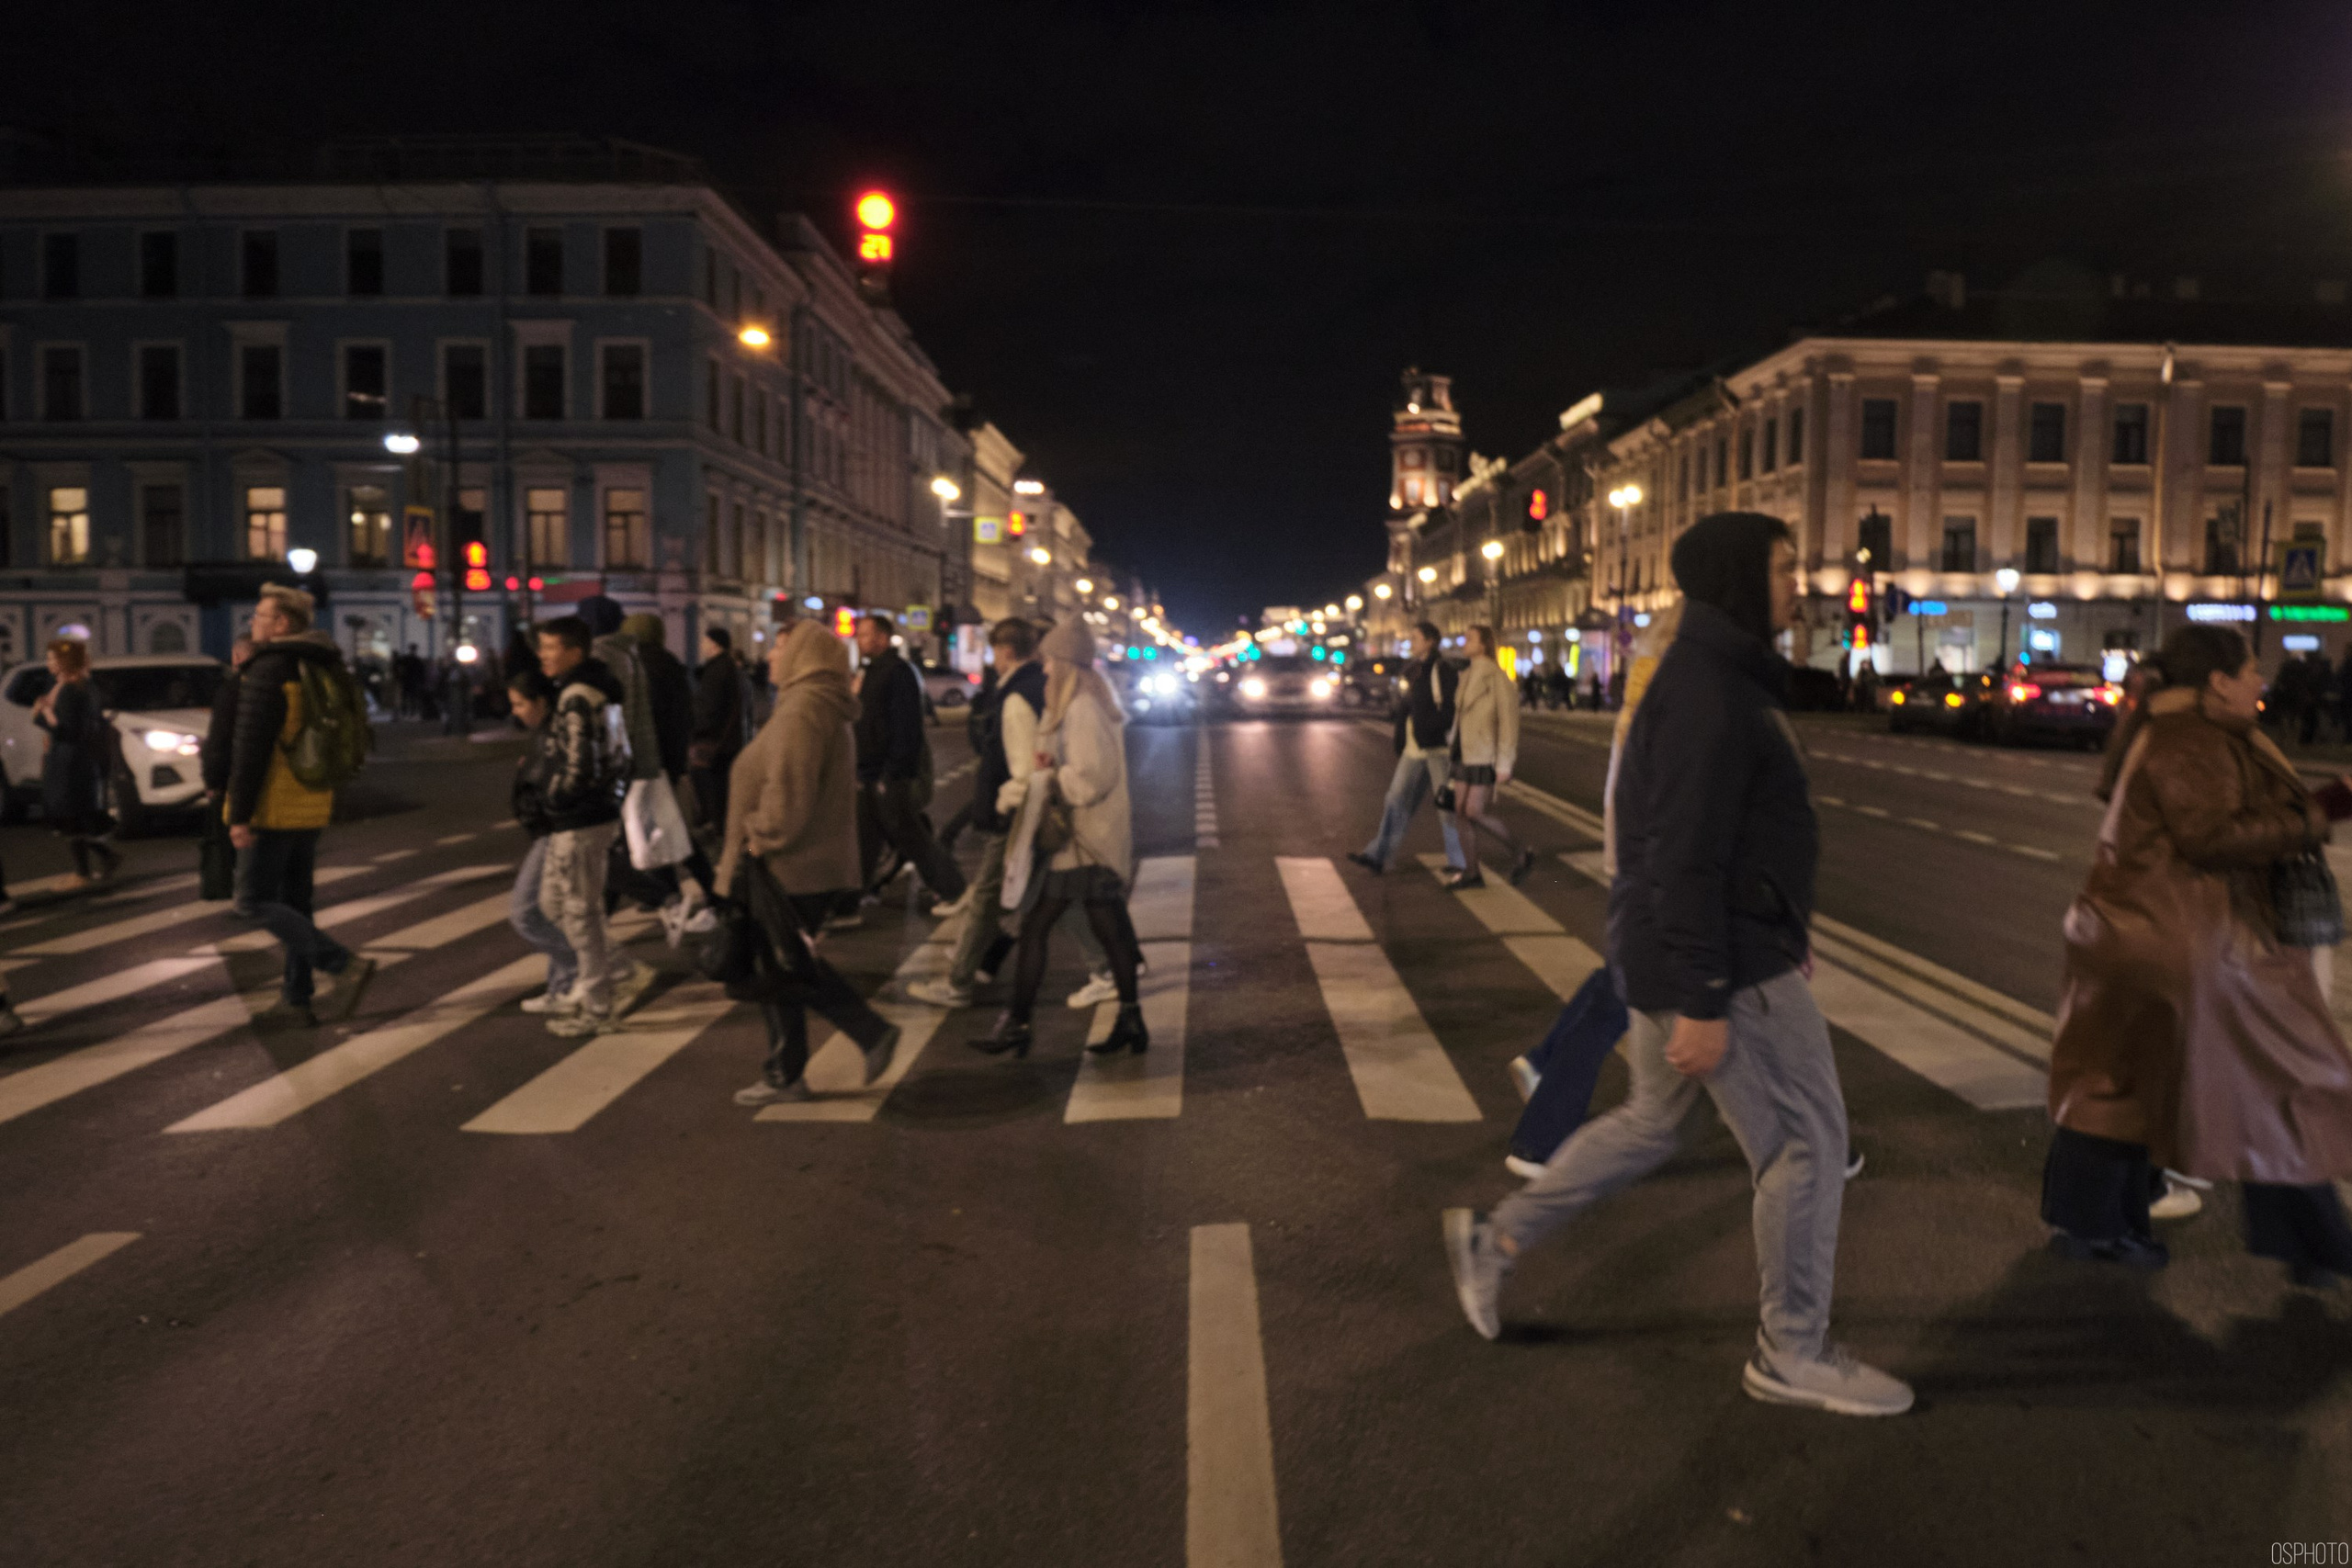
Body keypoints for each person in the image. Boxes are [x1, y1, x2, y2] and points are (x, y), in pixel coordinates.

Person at [1445, 511, 1913, 1418]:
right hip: (1721, 961)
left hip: (1688, 948)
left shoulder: (1714, 675)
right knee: (1807, 1147)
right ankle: (1793, 1352)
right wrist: (1702, 992)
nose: (1799, 584)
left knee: (1652, 1124)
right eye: (1783, 567)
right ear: (1740, 577)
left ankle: (1492, 1244)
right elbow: (1683, 853)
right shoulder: (1709, 688)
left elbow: (1722, 839)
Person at [2044, 623, 2352, 1284]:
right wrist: (2314, 820)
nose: (2259, 682)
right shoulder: (2194, 740)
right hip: (2185, 940)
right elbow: (2212, 835)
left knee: (2116, 1087)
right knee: (2283, 1079)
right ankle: (2317, 1244)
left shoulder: (2174, 727)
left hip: (2133, 930)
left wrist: (2329, 800)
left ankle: (2095, 1227)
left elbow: (2234, 809)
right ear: (2217, 681)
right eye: (2248, 672)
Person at [720, 620, 902, 1105]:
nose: (771, 658)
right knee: (784, 968)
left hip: (791, 864)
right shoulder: (816, 707)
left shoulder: (803, 711)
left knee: (784, 967)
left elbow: (789, 795)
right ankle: (792, 1070)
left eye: (781, 649)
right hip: (808, 863)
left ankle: (863, 1036)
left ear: (804, 658)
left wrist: (757, 839)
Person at [969, 619, 1147, 1059]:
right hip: (1086, 841)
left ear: (1066, 663)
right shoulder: (1075, 703)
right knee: (1107, 930)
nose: (1044, 669)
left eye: (1049, 661)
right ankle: (1130, 1018)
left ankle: (1019, 1023)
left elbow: (1089, 780)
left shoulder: (1083, 707)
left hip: (1083, 842)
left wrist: (1045, 781)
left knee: (1035, 927)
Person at [215, 586, 376, 1028]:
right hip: (313, 799)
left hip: (273, 805)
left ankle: (342, 964)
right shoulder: (323, 662)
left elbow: (250, 748)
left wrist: (239, 815)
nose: (254, 623)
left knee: (251, 900)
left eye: (261, 616)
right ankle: (297, 998)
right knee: (296, 902)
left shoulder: (268, 670)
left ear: (282, 624)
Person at [909, 618, 1044, 1009]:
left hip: (1014, 813)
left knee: (987, 895)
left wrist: (1003, 804)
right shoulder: (1037, 688)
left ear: (1004, 651)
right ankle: (1111, 966)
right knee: (1043, 896)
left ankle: (959, 981)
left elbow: (1021, 768)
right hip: (1031, 811)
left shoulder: (1017, 697)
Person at [535, 615, 654, 1038]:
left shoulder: (578, 695)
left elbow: (581, 764)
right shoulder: (595, 687)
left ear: (574, 651)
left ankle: (600, 1006)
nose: (543, 656)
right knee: (554, 905)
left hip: (581, 818)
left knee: (580, 913)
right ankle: (616, 970)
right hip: (588, 815)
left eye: (550, 648)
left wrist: (554, 797)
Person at [851, 614, 967, 905]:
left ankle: (953, 889)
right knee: (866, 838)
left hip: (888, 772)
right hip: (870, 770)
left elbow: (904, 727)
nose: (859, 640)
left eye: (865, 635)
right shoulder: (871, 671)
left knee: (910, 835)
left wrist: (893, 771)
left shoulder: (897, 672)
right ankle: (851, 900)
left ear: (881, 638)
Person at [620, 612, 720, 940]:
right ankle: (686, 890)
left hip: (644, 762)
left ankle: (673, 893)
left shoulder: (634, 667)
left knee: (651, 834)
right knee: (668, 832)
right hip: (668, 761)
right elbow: (683, 718)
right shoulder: (672, 666)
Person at [1347, 621, 1467, 876]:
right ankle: (1378, 856)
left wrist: (1429, 729)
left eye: (1415, 638)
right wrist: (1401, 737)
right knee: (1395, 800)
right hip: (1414, 749)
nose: (1410, 643)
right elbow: (1406, 708)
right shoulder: (1412, 669)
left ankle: (1459, 860)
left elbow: (1449, 711)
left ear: (1430, 641)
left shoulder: (1443, 670)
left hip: (1437, 749)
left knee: (1446, 807)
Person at [506, 668, 580, 1016]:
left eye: (521, 704)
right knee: (551, 911)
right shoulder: (543, 732)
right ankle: (564, 984)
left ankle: (581, 969)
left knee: (525, 913)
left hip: (554, 831)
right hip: (547, 830)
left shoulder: (554, 733)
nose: (516, 711)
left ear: (540, 702)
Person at [1443, 625, 1535, 888]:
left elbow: (1509, 723)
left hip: (1484, 754)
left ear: (1483, 645)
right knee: (1460, 813)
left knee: (1472, 811)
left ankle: (1521, 851)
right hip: (1462, 752)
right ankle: (1472, 872)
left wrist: (1505, 763)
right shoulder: (1466, 674)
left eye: (1469, 638)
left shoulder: (1497, 678)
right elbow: (1459, 718)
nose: (1464, 641)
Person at [33, 638, 121, 886]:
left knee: (71, 815)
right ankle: (102, 860)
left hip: (70, 762)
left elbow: (67, 730)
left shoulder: (72, 689)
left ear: (65, 662)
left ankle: (84, 872)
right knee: (76, 816)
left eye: (52, 658)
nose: (48, 663)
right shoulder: (75, 686)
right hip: (72, 759)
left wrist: (44, 712)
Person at [690, 627, 752, 842]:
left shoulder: (717, 670)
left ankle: (721, 832)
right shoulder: (726, 668)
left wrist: (695, 730)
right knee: (722, 788)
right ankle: (722, 829)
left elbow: (709, 709)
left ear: (715, 644)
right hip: (727, 742)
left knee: (715, 788)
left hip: (716, 743)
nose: (702, 646)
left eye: (705, 641)